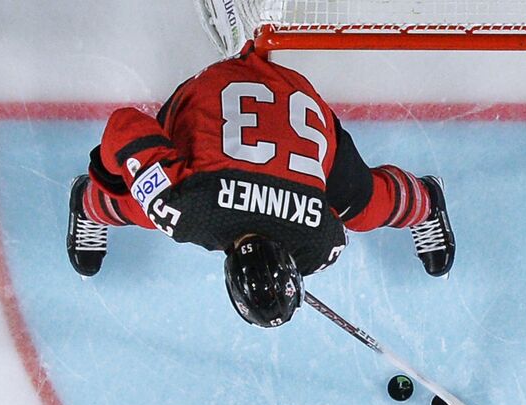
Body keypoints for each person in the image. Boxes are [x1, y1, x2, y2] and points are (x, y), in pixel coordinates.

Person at [65, 47, 455, 328]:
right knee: (140, 204)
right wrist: (117, 178)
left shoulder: (321, 246)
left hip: (296, 92)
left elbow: (322, 227)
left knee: (362, 207)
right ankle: (88, 203)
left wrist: (122, 176)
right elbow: (127, 124)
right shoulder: (185, 213)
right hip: (225, 90)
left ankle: (425, 202)